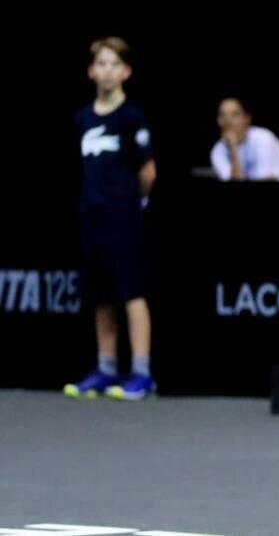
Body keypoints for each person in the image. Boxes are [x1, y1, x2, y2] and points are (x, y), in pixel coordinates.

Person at [63, 37, 157, 401]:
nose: (107, 71)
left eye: (114, 64)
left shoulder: (132, 117)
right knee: (101, 295)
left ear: (126, 72)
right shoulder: (82, 119)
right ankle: (105, 368)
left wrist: (136, 203)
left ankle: (142, 373)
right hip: (92, 217)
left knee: (131, 292)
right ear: (91, 72)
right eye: (101, 64)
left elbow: (148, 171)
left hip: (124, 217)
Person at [210, 97, 279, 181]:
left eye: (235, 114)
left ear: (247, 119)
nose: (228, 120)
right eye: (222, 115)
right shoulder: (217, 150)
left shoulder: (263, 137)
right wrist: (233, 150)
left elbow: (266, 179)